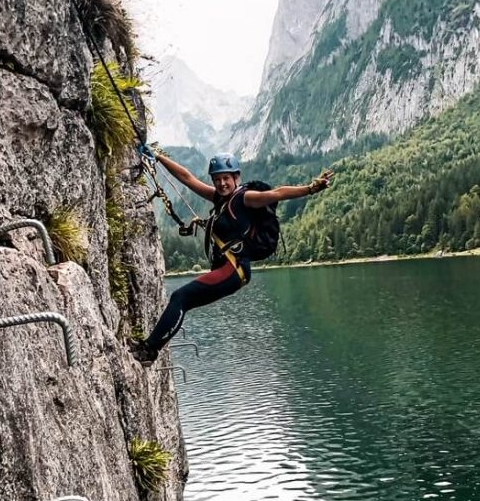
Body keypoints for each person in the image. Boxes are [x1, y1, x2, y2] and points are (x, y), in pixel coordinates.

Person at [131, 146, 334, 365]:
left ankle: (149, 351)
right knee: (182, 300)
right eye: (217, 179)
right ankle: (148, 349)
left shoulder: (245, 198)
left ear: (236, 177)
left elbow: (276, 193)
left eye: (226, 178)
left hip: (234, 269)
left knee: (180, 298)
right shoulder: (218, 198)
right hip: (227, 269)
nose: (221, 184)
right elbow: (187, 178)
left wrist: (311, 189)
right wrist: (159, 157)